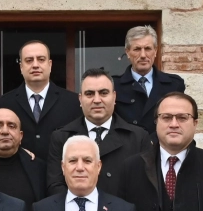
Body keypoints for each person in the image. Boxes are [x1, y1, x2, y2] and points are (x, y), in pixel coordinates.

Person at [45, 68, 148, 198]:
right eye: (89, 94)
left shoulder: (138, 138)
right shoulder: (61, 137)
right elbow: (55, 185)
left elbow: (144, 188)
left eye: (103, 93)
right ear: (80, 99)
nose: (97, 100)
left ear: (114, 97)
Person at [0, 40, 80, 165]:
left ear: (50, 64)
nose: (35, 65)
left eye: (41, 59)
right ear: (21, 67)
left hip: (61, 177)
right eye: (29, 60)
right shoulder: (3, 104)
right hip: (19, 174)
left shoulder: (73, 102)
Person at [112, 26, 186, 132]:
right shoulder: (114, 85)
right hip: (129, 146)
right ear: (127, 52)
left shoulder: (174, 84)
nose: (143, 55)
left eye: (147, 49)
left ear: (155, 51)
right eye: (137, 49)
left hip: (162, 145)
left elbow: (180, 120)